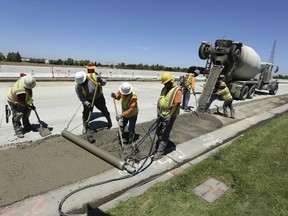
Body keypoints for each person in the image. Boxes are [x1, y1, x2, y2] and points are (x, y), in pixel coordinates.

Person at [154, 72, 182, 159]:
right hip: (161, 114)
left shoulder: (177, 91)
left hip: (170, 115)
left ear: (171, 81)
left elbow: (176, 104)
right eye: (164, 83)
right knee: (158, 130)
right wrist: (158, 110)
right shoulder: (164, 89)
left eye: (166, 83)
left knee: (165, 133)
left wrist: (169, 116)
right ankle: (162, 142)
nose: (165, 84)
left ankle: (160, 152)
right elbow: (160, 99)